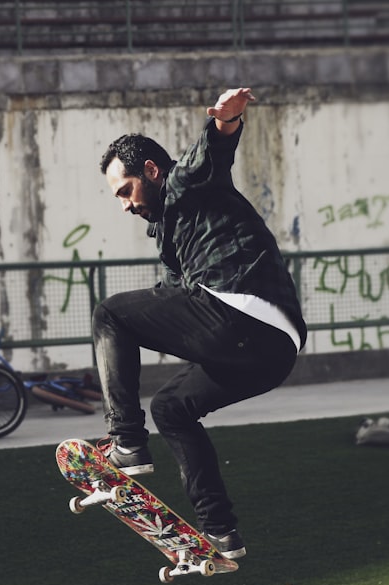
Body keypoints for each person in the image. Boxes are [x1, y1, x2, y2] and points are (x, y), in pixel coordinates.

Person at [93, 87, 308, 560]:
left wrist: (225, 122)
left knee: (108, 314)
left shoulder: (185, 181)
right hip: (270, 353)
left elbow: (211, 152)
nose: (126, 205)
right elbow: (171, 300)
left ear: (150, 171)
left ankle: (126, 439)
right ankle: (221, 533)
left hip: (240, 311)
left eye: (126, 191)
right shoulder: (169, 239)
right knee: (171, 408)